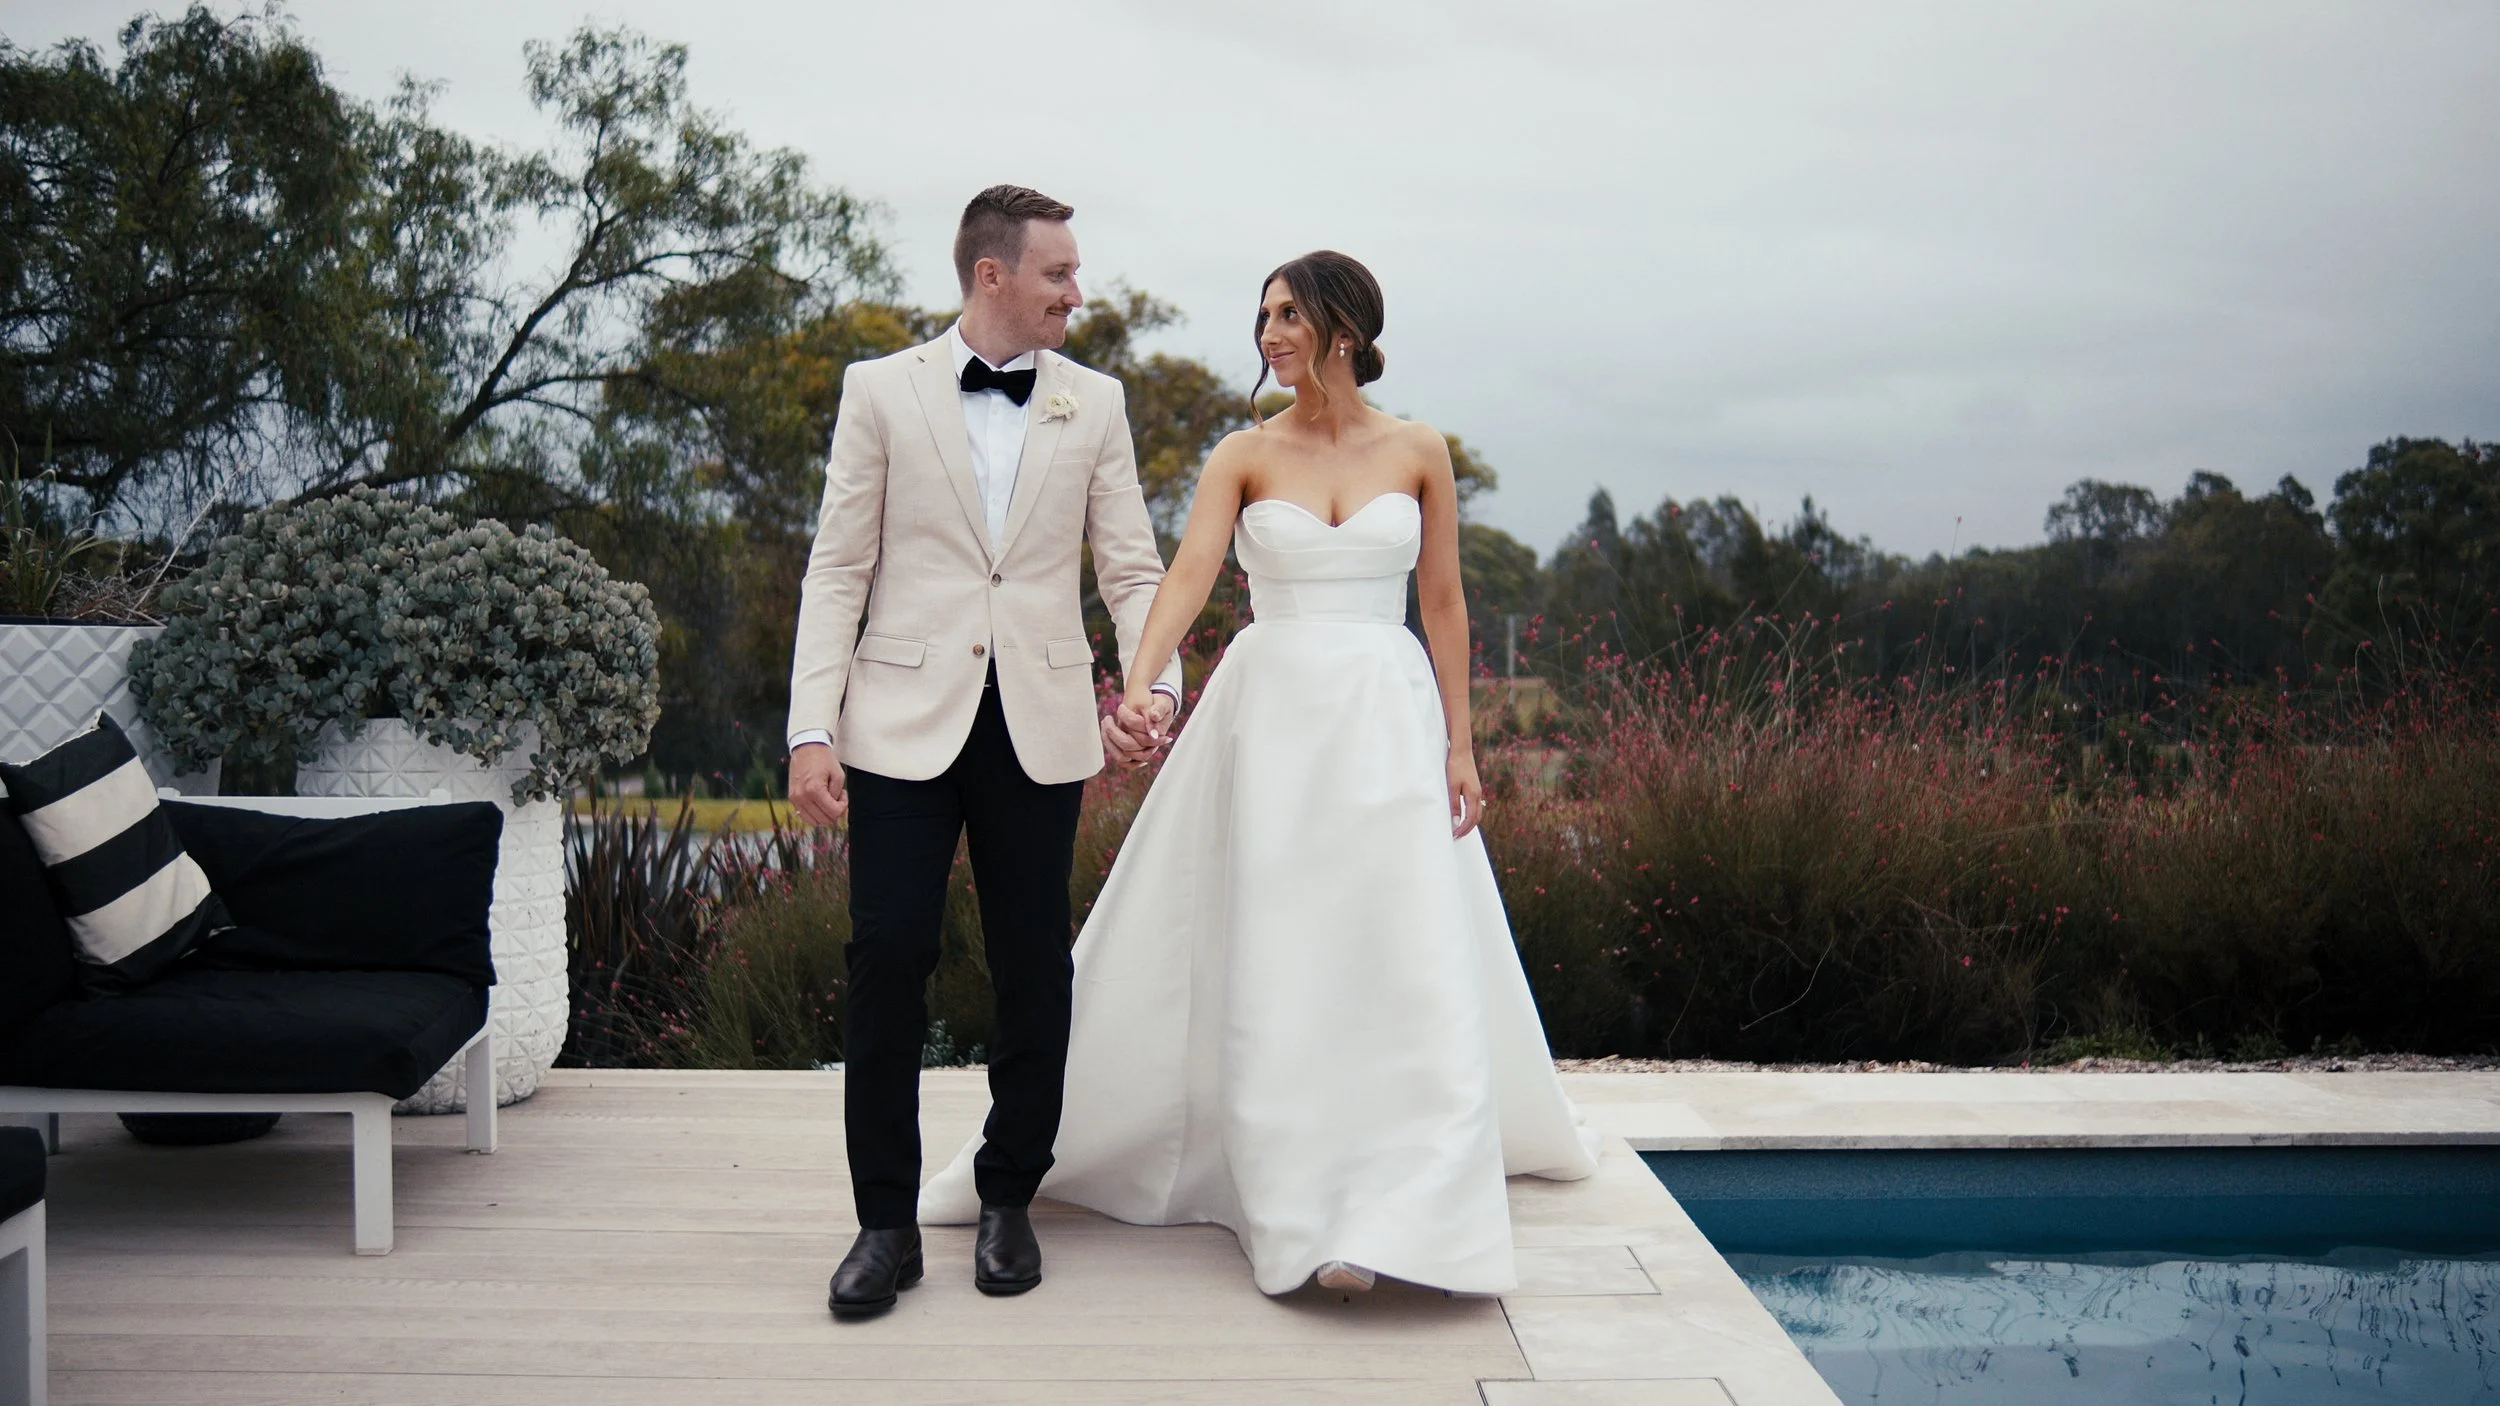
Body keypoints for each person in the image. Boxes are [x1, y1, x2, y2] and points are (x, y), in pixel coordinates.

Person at [921, 250, 1600, 1295]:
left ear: (1344, 328)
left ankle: (1404, 1202)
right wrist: (1137, 686)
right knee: (1285, 948)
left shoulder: (1419, 448)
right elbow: (1190, 572)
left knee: (1396, 947)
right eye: (1264, 315)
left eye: (1288, 314)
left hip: (1386, 714)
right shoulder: (1242, 453)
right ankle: (1299, 1204)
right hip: (1273, 717)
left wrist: (1461, 743)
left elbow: (1445, 600)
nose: (1268, 332)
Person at [785, 184, 1182, 1319]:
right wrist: (811, 726)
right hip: (897, 722)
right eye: (1059, 272)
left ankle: (1010, 1195)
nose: (1076, 292)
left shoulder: (1095, 402)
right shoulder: (879, 389)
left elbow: (1132, 570)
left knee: (1032, 967)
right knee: (887, 955)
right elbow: (837, 568)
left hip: (1038, 724)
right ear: (991, 274)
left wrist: (1154, 686)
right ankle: (884, 1225)